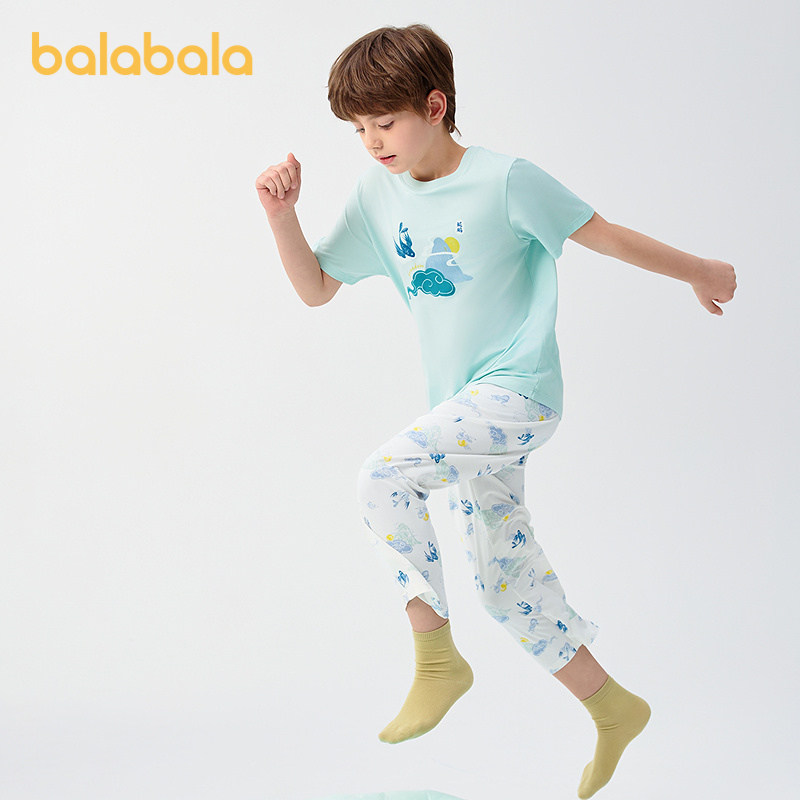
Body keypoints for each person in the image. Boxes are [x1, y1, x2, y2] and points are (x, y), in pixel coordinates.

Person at [254, 23, 736, 799]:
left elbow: (607, 237)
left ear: (434, 106)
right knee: (504, 580)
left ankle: (436, 664)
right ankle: (613, 708)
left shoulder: (506, 180)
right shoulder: (377, 194)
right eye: (359, 128)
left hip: (519, 392)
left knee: (384, 476)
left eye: (385, 122)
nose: (372, 141)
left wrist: (701, 271)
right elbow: (316, 289)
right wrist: (282, 215)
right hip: (463, 411)